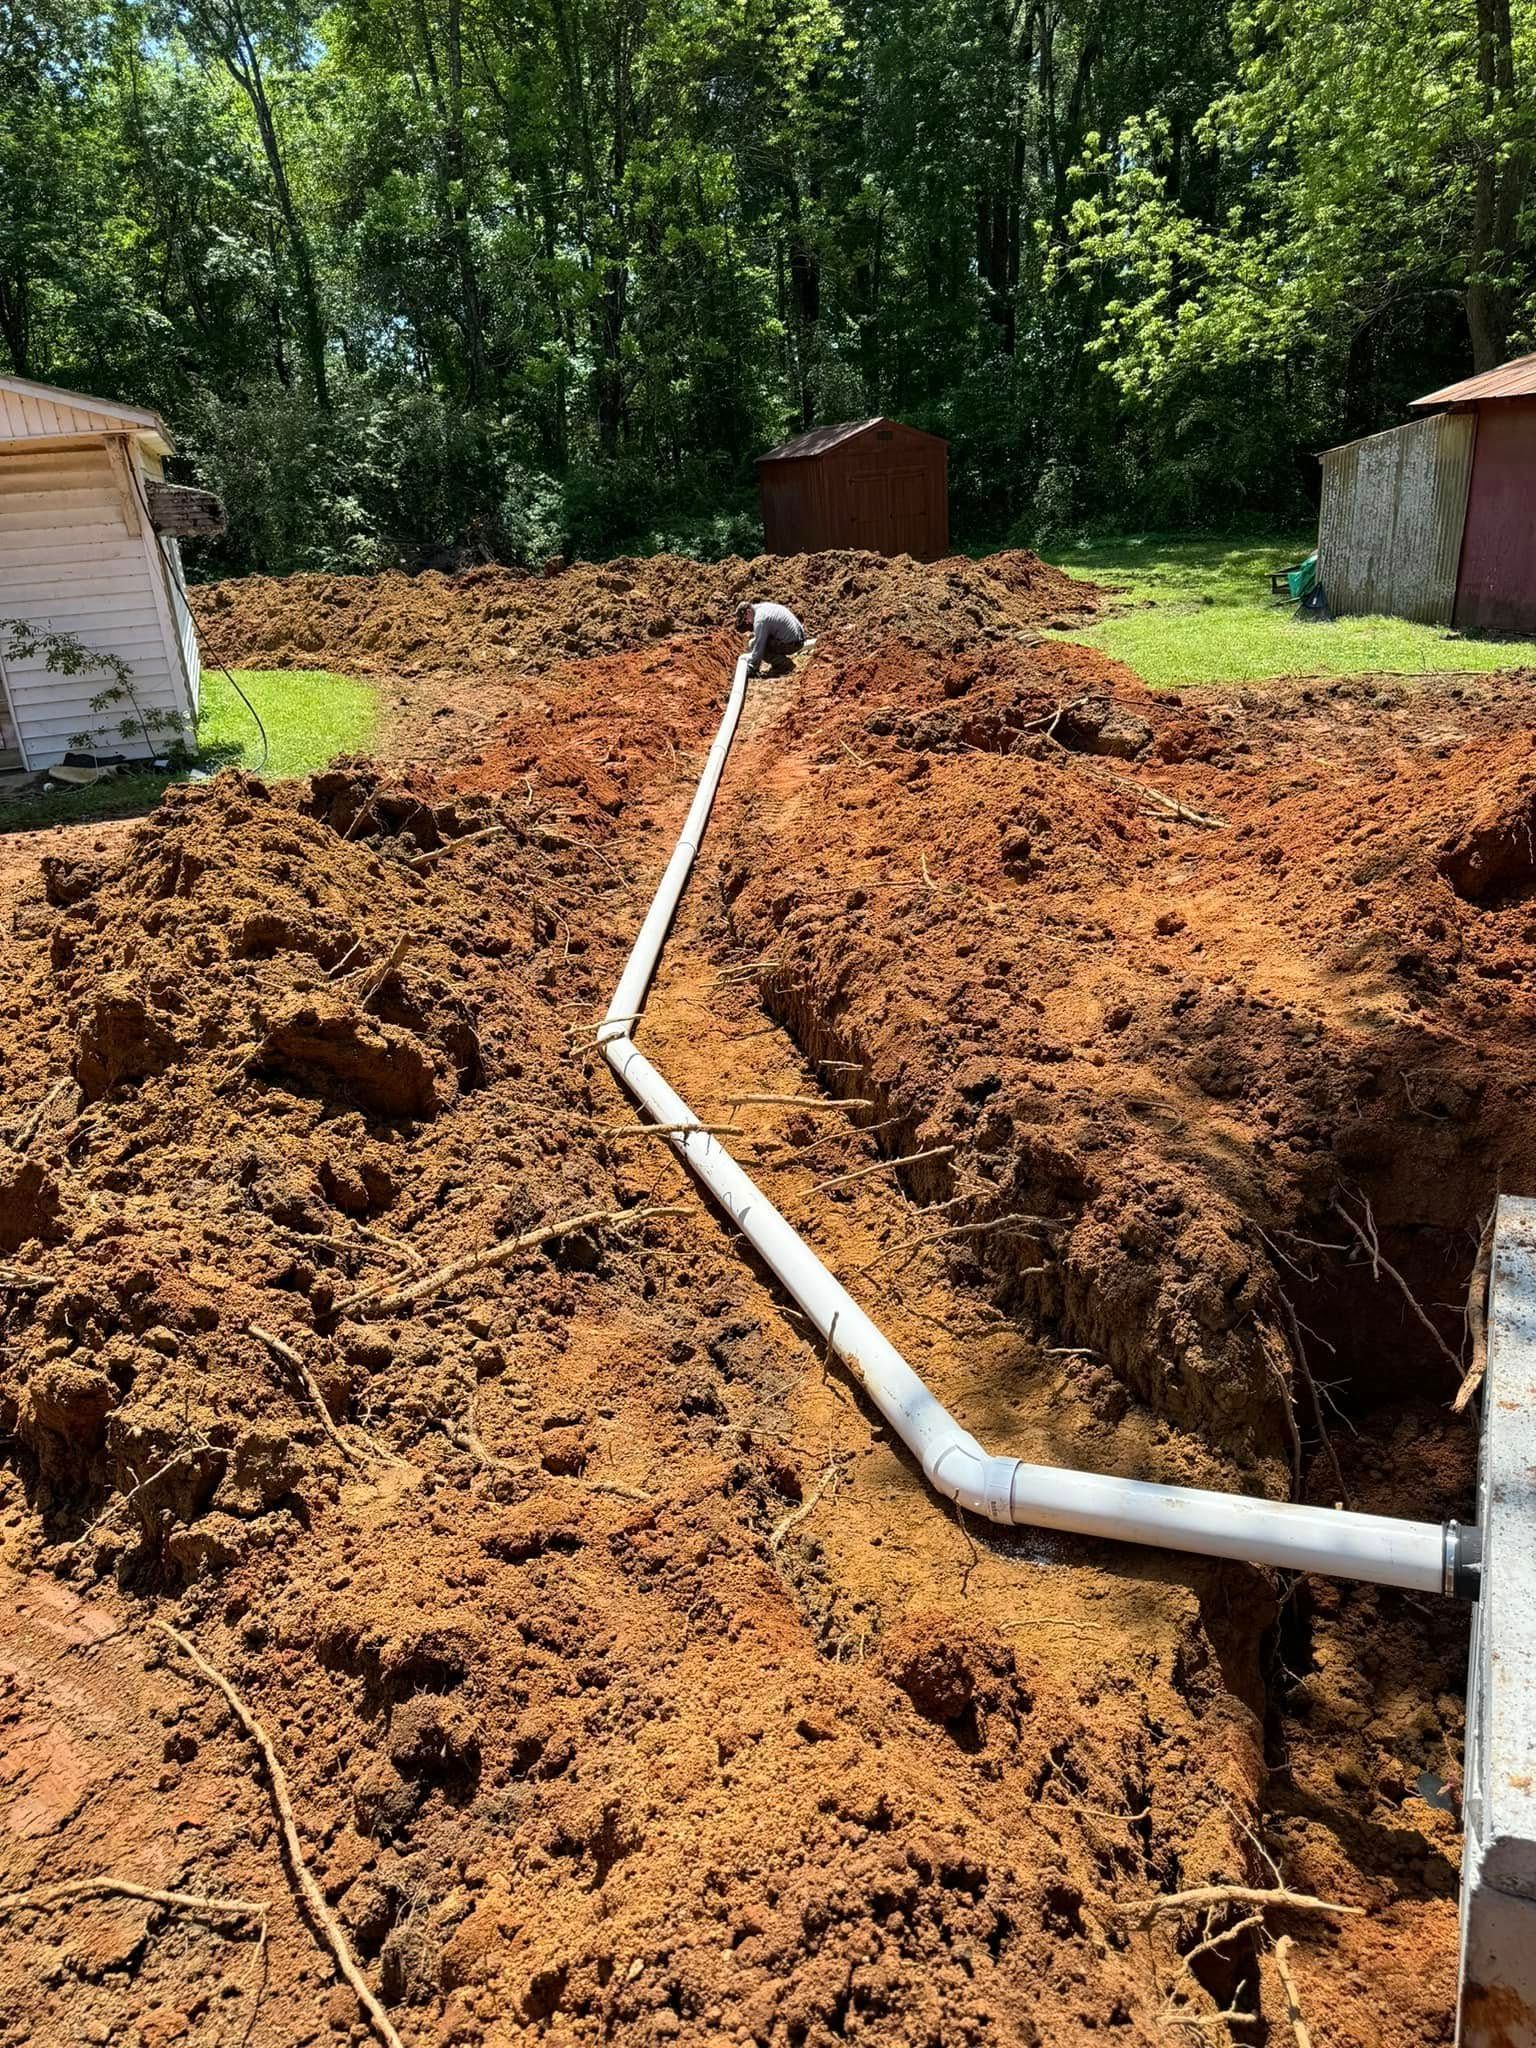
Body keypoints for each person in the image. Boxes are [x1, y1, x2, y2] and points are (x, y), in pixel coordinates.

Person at [736, 599, 809, 674]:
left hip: (792, 644)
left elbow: (759, 646)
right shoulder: (763, 607)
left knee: (756, 645)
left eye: (746, 619)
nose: (747, 622)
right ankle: (781, 661)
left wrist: (752, 666)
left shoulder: (760, 620)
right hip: (800, 638)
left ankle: (785, 664)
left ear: (748, 612)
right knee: (755, 642)